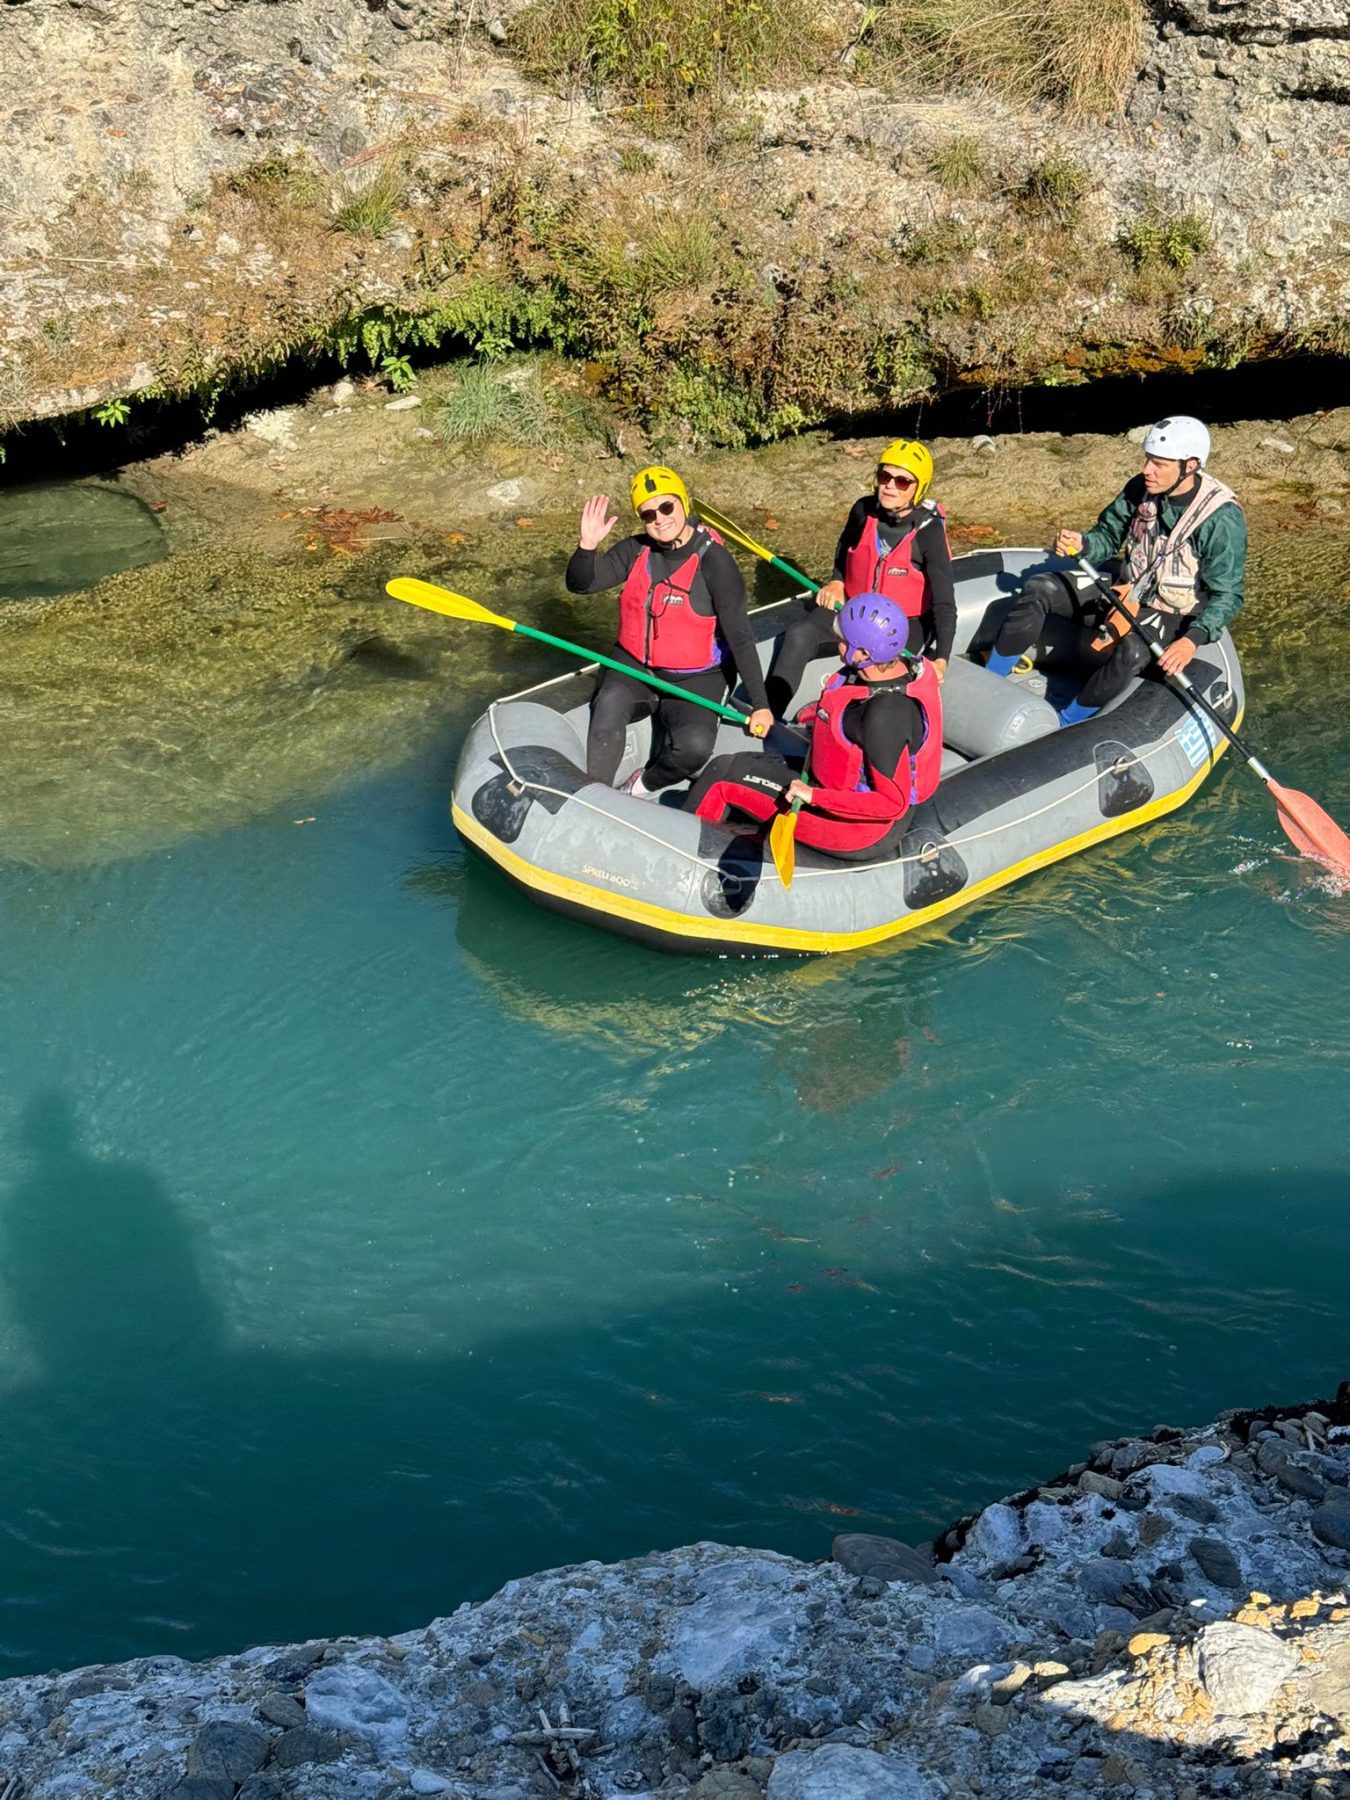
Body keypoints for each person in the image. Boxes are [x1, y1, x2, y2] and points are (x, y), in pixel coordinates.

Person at [985, 415, 1246, 725]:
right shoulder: (1140, 487)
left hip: (1174, 610)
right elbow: (1107, 536)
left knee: (1134, 650)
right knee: (1041, 588)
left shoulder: (1222, 519)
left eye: (1159, 464)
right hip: (1128, 588)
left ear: (1189, 466)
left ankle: (1065, 722)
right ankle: (991, 684)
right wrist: (1083, 544)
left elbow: (1227, 595)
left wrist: (1191, 639)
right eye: (1148, 459)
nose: (1147, 469)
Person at [685, 593, 943, 862]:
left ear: (865, 653)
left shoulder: (884, 716)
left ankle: (680, 859)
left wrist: (813, 796)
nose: (837, 643)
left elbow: (892, 802)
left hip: (854, 829)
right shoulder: (898, 666)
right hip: (833, 781)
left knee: (722, 776)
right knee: (735, 764)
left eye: (844, 640)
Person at [566, 466, 773, 796]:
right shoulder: (636, 549)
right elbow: (582, 584)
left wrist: (761, 704)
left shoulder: (715, 562)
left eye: (666, 507)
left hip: (698, 677)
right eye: (648, 514)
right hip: (635, 667)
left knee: (694, 747)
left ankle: (641, 786)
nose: (659, 519)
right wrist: (587, 545)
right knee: (610, 700)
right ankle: (597, 796)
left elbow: (740, 635)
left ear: (683, 504)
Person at [763, 438, 956, 718]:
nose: (890, 485)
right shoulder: (863, 511)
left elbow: (944, 603)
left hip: (901, 626)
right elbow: (844, 550)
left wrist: (942, 659)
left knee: (872, 673)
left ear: (919, 488)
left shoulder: (928, 533)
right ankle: (769, 715)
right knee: (799, 634)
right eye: (884, 476)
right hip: (853, 612)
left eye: (902, 481)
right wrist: (837, 582)